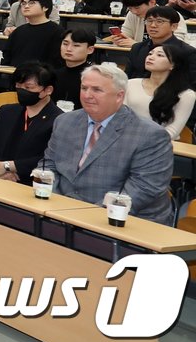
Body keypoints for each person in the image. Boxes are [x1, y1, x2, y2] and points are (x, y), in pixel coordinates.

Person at [40, 65, 175, 225]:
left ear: (119, 96)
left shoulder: (151, 135)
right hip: (63, 212)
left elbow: (144, 188)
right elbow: (48, 165)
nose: (87, 95)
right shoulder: (65, 121)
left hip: (126, 220)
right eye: (84, 88)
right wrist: (53, 202)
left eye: (97, 90)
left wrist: (88, 216)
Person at [0, 63, 62, 184]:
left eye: (28, 88)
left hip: (30, 182)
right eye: (18, 86)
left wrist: (9, 166)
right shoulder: (7, 111)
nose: (22, 91)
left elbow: (49, 158)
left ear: (48, 90)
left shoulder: (58, 120)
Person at [125, 41, 196, 140]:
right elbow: (121, 117)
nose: (151, 57)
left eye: (160, 55)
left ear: (173, 65)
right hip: (127, 138)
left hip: (161, 145)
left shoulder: (186, 95)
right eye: (150, 53)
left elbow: (173, 130)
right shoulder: (130, 84)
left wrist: (143, 142)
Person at [126, 5, 196, 86]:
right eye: (149, 21)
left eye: (159, 21)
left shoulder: (187, 52)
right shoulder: (137, 48)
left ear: (174, 26)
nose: (153, 25)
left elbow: (192, 84)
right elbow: (128, 77)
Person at [5, 0, 65, 70]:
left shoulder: (57, 31)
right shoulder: (19, 31)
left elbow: (56, 61)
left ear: (45, 7)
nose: (26, 6)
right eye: (23, 3)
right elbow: (7, 55)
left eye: (31, 3)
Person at [54, 29, 96, 105]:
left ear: (90, 50)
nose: (68, 49)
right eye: (65, 44)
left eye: (76, 45)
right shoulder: (55, 74)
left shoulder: (94, 77)